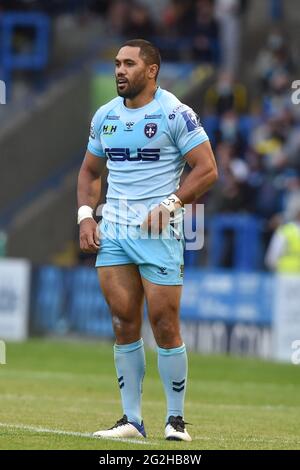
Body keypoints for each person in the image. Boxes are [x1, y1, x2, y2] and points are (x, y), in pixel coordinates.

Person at [77, 39, 217, 441]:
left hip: (160, 232)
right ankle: (131, 421)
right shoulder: (105, 115)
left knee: (164, 322)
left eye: (128, 64)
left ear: (151, 70)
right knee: (123, 321)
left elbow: (207, 169)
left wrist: (172, 203)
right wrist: (86, 216)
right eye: (117, 64)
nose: (119, 71)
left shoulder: (175, 113)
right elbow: (89, 172)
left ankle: (176, 421)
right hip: (115, 230)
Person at [265, 200, 300, 273]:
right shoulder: (284, 231)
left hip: (284, 272)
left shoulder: (284, 231)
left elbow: (272, 256)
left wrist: (272, 266)